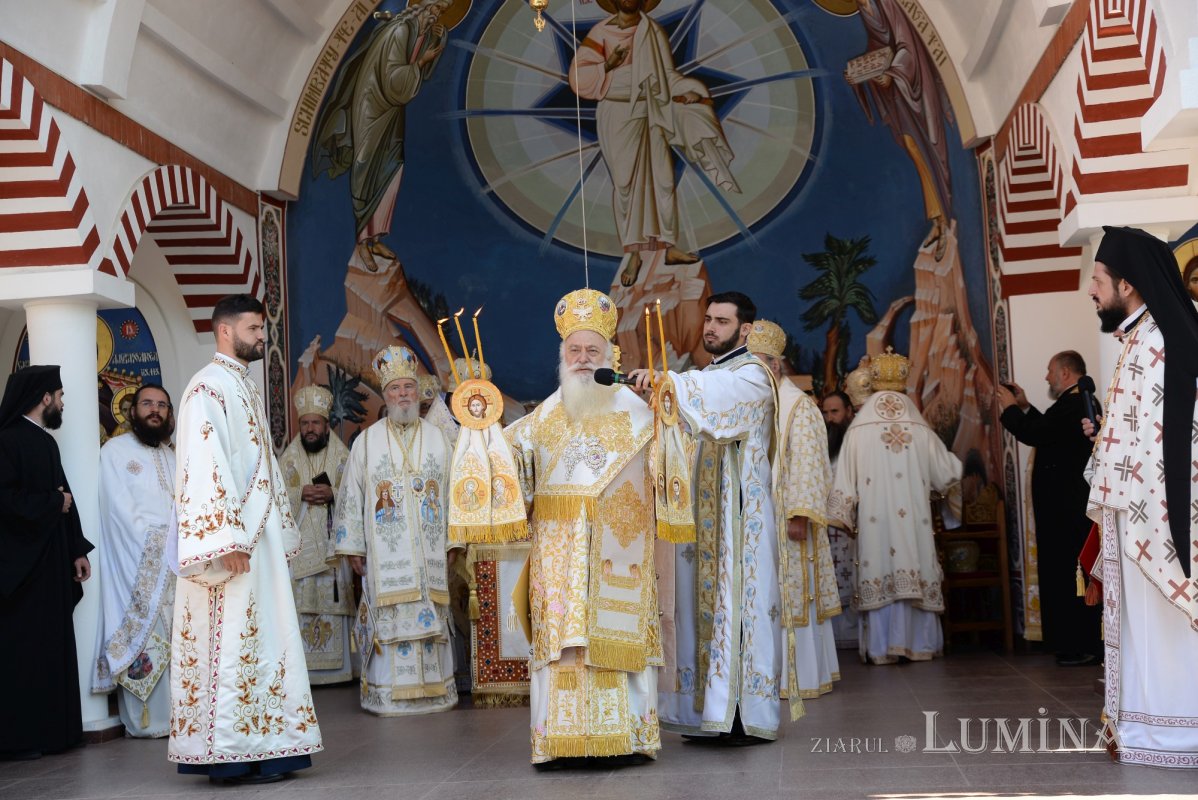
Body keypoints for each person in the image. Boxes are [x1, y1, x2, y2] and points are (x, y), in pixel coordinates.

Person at [170, 294, 321, 784]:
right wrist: (223, 539)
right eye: (254, 330)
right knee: (231, 642)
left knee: (264, 641)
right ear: (224, 332)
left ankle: (269, 745)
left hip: (258, 543)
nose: (262, 338)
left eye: (263, 329)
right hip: (231, 547)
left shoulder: (241, 387)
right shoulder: (207, 389)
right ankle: (232, 756)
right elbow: (201, 465)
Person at [506, 288, 660, 766]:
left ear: (610, 354)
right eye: (574, 350)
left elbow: (670, 463)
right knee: (562, 647)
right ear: (562, 355)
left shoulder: (640, 412)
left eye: (592, 351)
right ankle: (560, 742)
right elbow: (510, 466)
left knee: (613, 641)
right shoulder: (544, 416)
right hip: (558, 559)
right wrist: (478, 430)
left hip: (618, 553)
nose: (582, 359)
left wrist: (667, 413)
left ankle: (627, 738)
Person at [630, 291, 783, 743]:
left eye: (721, 321)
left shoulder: (753, 376)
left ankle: (741, 715)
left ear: (746, 329)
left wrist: (669, 383)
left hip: (739, 523)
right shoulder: (709, 374)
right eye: (708, 320)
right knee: (702, 608)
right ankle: (707, 713)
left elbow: (716, 401)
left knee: (738, 609)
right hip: (702, 521)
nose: (710, 328)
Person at [1082, 226, 1198, 768]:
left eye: (1098, 279)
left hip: (1155, 516)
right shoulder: (1142, 338)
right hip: (1135, 512)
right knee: (1143, 628)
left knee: (1161, 627)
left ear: (1127, 284)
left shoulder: (1158, 344)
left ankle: (1171, 732)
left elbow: (1174, 441)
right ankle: (1145, 726)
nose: (1091, 289)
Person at [568, 0, 738, 286]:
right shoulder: (601, 32)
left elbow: (666, 76)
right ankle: (633, 253)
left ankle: (669, 247)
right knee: (625, 183)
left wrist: (691, 91)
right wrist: (608, 64)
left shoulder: (652, 30)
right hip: (617, 113)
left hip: (651, 111)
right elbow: (578, 78)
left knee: (662, 179)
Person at [333, 345, 456, 716]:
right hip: (384, 555)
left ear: (417, 392)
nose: (403, 394)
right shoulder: (366, 442)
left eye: (408, 387)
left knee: (431, 616)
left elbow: (452, 492)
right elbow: (351, 494)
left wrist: (455, 541)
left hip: (431, 551)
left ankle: (435, 692)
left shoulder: (439, 439)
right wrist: (353, 545)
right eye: (395, 389)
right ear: (385, 396)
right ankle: (385, 694)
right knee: (390, 620)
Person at [827, 349, 962, 665]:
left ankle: (883, 647)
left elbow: (843, 480)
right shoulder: (919, 427)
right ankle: (919, 644)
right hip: (913, 522)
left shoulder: (859, 429)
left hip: (875, 526)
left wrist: (842, 511)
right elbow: (947, 474)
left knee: (878, 567)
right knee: (916, 563)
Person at [311, 0, 452, 272]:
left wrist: (435, 45)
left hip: (392, 111)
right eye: (434, 9)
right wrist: (422, 60)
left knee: (392, 167)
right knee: (365, 166)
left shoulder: (421, 32)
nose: (436, 15)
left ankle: (375, 238)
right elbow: (391, 78)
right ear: (422, 7)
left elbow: (419, 76)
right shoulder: (399, 31)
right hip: (373, 105)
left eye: (442, 12)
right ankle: (361, 241)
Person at [0, 365, 92, 760]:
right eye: (60, 396)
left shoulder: (45, 442)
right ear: (44, 398)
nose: (62, 403)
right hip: (22, 572)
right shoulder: (6, 441)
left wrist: (76, 549)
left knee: (53, 646)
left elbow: (66, 496)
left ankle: (58, 733)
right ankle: (22, 739)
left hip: (52, 561)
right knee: (25, 651)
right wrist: (53, 502)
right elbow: (6, 501)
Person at [748, 321, 841, 701]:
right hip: (756, 520)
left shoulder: (798, 405)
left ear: (775, 365)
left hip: (788, 519)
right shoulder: (757, 401)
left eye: (758, 366)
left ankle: (798, 677)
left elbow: (808, 461)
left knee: (793, 597)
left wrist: (799, 514)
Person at [996, 351, 1101, 666]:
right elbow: (1048, 429)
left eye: (1049, 370)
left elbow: (1036, 434)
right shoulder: (1074, 403)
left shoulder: (1077, 403)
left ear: (1065, 372)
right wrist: (1025, 406)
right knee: (1062, 577)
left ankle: (1078, 645)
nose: (1046, 377)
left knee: (1067, 578)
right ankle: (1071, 644)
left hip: (1067, 514)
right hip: (1064, 512)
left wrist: (1010, 409)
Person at [92, 384, 176, 737]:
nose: (155, 410)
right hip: (138, 562)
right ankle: (151, 721)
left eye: (161, 405)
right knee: (148, 636)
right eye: (147, 404)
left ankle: (181, 718)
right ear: (132, 410)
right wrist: (157, 542)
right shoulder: (115, 451)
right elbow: (117, 509)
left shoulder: (174, 456)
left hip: (178, 563)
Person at [847, 0, 952, 259]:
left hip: (917, 89)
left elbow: (908, 45)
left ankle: (944, 219)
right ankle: (937, 217)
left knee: (927, 148)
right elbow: (877, 49)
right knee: (913, 149)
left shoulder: (888, 3)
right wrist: (857, 78)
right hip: (898, 97)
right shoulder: (864, 9)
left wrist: (893, 74)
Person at [279, 385, 355, 684]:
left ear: (327, 425)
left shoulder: (343, 457)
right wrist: (300, 493)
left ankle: (341, 672)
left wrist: (333, 492)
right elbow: (274, 498)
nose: (310, 429)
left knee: (334, 605)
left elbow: (355, 493)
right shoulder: (287, 461)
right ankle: (304, 673)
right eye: (305, 423)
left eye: (316, 423)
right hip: (300, 553)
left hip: (333, 552)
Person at [821, 390, 859, 650]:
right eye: (825, 412)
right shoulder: (820, 442)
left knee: (851, 574)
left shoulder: (856, 443)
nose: (829, 418)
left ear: (848, 412)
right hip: (824, 525)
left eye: (835, 411)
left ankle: (852, 632)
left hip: (851, 526)